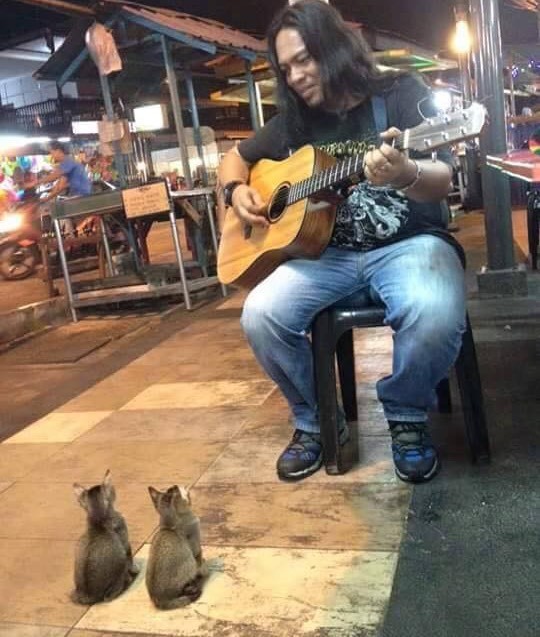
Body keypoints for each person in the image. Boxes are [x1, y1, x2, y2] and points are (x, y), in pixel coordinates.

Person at [217, 0, 465, 484]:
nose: (294, 77)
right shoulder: (295, 122)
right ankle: (317, 421)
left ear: (333, 48)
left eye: (304, 59)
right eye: (286, 68)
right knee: (260, 314)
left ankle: (407, 414)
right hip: (325, 256)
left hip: (409, 244)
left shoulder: (398, 93)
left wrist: (406, 171)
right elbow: (233, 158)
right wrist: (235, 191)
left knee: (433, 308)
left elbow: (442, 178)